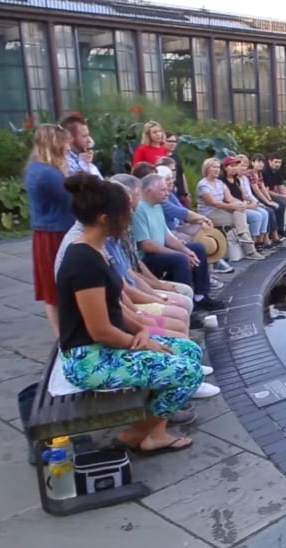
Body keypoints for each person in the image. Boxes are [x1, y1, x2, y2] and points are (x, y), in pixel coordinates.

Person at [56, 173, 201, 453]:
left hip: (106, 346)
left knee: (190, 351)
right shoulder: (83, 261)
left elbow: (113, 310)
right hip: (89, 359)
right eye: (125, 213)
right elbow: (100, 330)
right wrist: (144, 343)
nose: (129, 219)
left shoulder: (96, 251)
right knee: (189, 372)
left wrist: (141, 328)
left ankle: (155, 431)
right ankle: (135, 435)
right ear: (104, 218)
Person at [132, 174, 224, 311]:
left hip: (160, 250)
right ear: (149, 191)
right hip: (146, 257)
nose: (167, 193)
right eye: (163, 190)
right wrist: (181, 253)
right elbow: (146, 245)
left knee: (197, 248)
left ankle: (201, 296)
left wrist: (186, 250)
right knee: (180, 259)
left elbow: (166, 236)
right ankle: (187, 305)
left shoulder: (157, 206)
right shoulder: (139, 209)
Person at [24, 123, 74, 336]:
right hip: (55, 234)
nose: (68, 148)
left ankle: (62, 334)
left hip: (49, 231)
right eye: (65, 143)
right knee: (57, 287)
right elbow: (71, 200)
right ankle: (63, 336)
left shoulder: (36, 168)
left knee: (52, 289)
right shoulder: (48, 174)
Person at [195, 157, 264, 260]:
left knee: (240, 211)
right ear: (207, 169)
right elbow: (214, 203)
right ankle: (250, 249)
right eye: (214, 167)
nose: (217, 170)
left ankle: (244, 239)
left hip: (222, 210)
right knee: (239, 218)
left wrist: (240, 204)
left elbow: (230, 198)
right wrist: (232, 206)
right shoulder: (203, 185)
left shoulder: (220, 183)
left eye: (218, 167)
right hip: (210, 213)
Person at [163, 131, 191, 208]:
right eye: (170, 141)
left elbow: (182, 174)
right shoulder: (161, 158)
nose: (173, 144)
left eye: (175, 142)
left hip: (180, 192)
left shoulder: (176, 157)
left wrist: (187, 192)